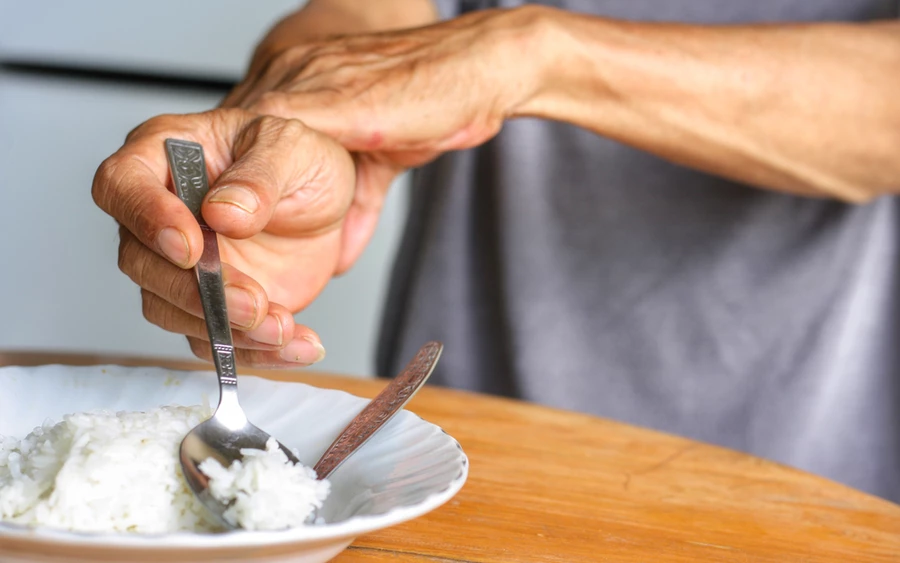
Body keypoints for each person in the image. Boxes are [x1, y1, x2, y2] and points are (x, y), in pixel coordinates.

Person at [92, 0, 900, 503]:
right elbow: (364, 9)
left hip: (805, 478)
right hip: (447, 462)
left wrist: (536, 52)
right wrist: (289, 126)